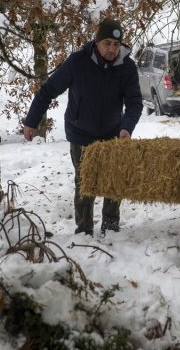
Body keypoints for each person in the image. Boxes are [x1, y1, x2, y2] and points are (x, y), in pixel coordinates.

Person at [22, 18, 143, 237]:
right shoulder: (78, 62)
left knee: (114, 179)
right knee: (85, 182)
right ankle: (85, 229)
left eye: (116, 45)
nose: (112, 49)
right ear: (97, 42)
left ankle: (111, 225)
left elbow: (135, 102)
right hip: (81, 132)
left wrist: (126, 128)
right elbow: (48, 90)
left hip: (112, 132)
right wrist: (32, 121)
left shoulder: (126, 66)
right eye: (107, 43)